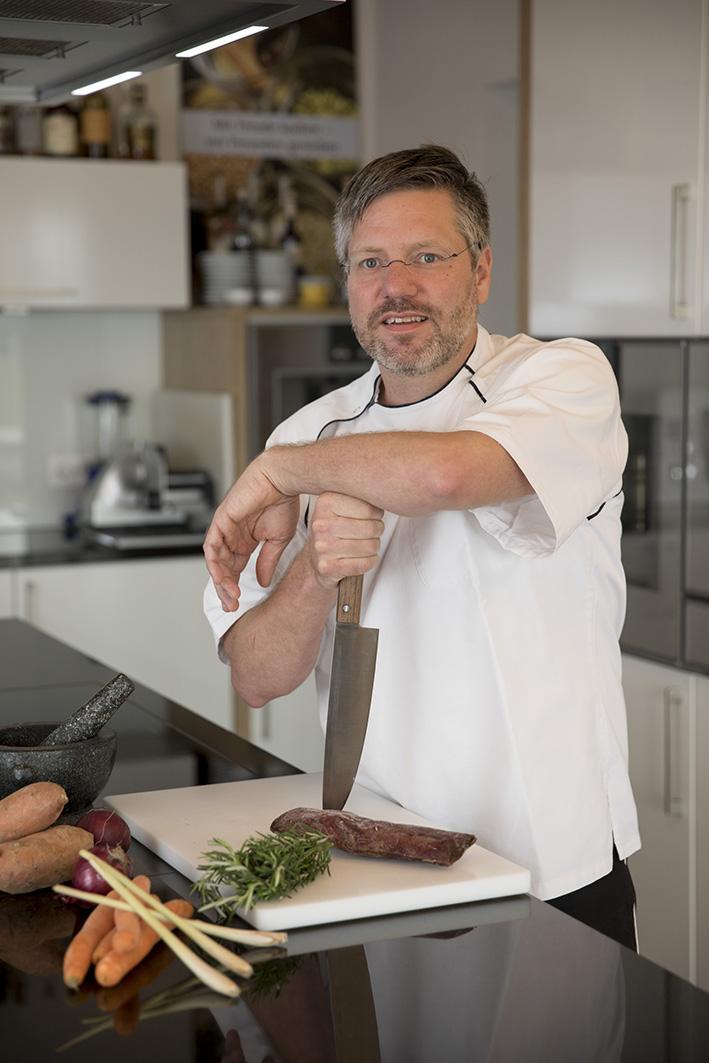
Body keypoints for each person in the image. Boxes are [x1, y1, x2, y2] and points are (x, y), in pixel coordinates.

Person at [203, 145, 640, 948]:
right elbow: (257, 677)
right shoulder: (310, 433)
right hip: (376, 859)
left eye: (425, 257)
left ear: (479, 272)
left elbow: (442, 472)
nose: (394, 286)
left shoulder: (561, 378)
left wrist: (277, 473)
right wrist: (312, 565)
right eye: (369, 261)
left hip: (554, 858)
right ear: (347, 285)